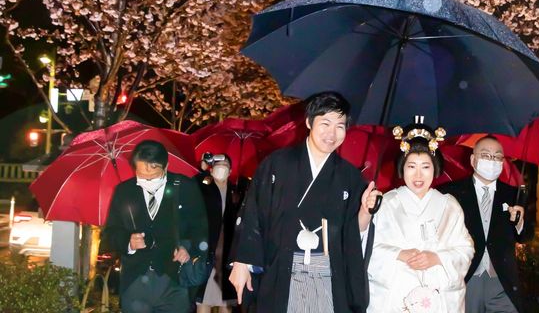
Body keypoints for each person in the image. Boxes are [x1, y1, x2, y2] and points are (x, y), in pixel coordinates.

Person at [228, 91, 380, 313]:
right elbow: (253, 213)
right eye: (325, 123)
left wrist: (366, 211)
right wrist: (242, 262)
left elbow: (352, 234)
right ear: (309, 122)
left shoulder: (350, 177)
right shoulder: (277, 164)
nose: (332, 133)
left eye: (340, 126)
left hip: (326, 275)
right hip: (281, 270)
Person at [363, 124, 474, 312]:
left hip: (438, 297)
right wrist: (399, 254)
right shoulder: (386, 203)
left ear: (435, 168)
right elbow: (368, 247)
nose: (418, 175)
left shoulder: (449, 206)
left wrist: (437, 258)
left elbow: (465, 250)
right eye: (411, 166)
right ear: (402, 168)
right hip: (395, 297)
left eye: (426, 167)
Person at [102, 140, 208, 313]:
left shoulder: (184, 187)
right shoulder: (124, 191)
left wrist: (189, 248)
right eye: (142, 175)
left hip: (174, 280)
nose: (148, 180)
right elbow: (109, 234)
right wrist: (128, 242)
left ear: (165, 167)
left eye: (153, 176)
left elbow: (201, 228)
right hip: (135, 281)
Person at [438, 136, 533, 313]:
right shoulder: (450, 193)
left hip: (502, 281)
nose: (492, 161)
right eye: (486, 155)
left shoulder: (514, 195)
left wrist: (520, 223)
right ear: (473, 160)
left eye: (497, 157)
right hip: (465, 277)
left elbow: (526, 236)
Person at [194, 153, 246, 313]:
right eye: (217, 165)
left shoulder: (236, 192)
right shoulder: (204, 189)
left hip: (228, 253)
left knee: (226, 301)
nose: (221, 168)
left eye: (225, 165)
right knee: (203, 299)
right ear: (211, 169)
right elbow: (191, 186)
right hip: (207, 251)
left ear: (230, 171)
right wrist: (202, 170)